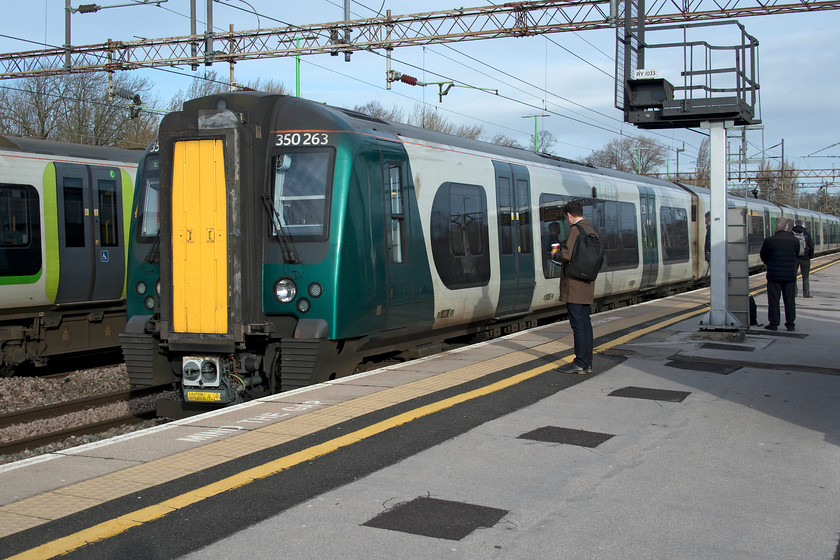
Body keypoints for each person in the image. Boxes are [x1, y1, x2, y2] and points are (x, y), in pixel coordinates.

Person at [553, 201, 596, 374]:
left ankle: (579, 362)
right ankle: (587, 361)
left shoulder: (575, 230)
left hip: (574, 286)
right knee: (585, 323)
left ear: (569, 215)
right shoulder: (591, 230)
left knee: (577, 324)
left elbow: (566, 254)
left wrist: (555, 254)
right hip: (587, 284)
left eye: (566, 217)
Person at [759, 217, 799, 331]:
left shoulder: (769, 240)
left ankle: (774, 323)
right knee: (790, 300)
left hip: (774, 275)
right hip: (790, 276)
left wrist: (770, 264)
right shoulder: (794, 241)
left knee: (773, 300)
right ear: (787, 228)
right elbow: (796, 254)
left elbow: (764, 256)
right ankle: (790, 324)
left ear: (775, 227)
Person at [792, 219, 814, 298]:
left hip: (794, 258)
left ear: (794, 224)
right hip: (805, 258)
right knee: (805, 276)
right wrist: (809, 256)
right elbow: (811, 246)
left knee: (793, 276)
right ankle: (806, 293)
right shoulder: (806, 233)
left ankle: (794, 293)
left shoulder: (791, 233)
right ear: (803, 224)